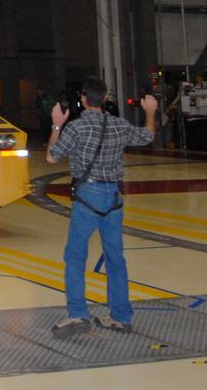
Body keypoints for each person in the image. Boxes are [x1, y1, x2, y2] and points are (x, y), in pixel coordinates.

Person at [46, 77, 157, 338]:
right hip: (114, 197)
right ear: (106, 98)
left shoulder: (76, 127)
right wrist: (150, 112)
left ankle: (78, 314)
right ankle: (121, 317)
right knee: (115, 258)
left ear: (83, 100)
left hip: (87, 196)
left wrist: (56, 124)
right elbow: (147, 136)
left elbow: (52, 156)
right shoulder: (119, 125)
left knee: (75, 256)